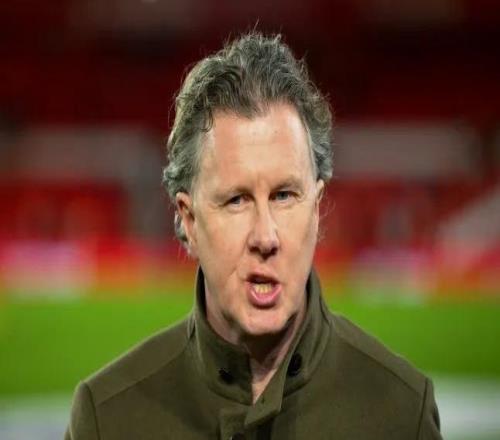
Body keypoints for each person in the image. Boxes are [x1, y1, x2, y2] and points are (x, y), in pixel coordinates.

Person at [65, 33, 442, 440]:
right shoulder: (108, 420)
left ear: (316, 208)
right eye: (237, 200)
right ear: (188, 220)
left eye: (284, 195)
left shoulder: (401, 412)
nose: (266, 236)